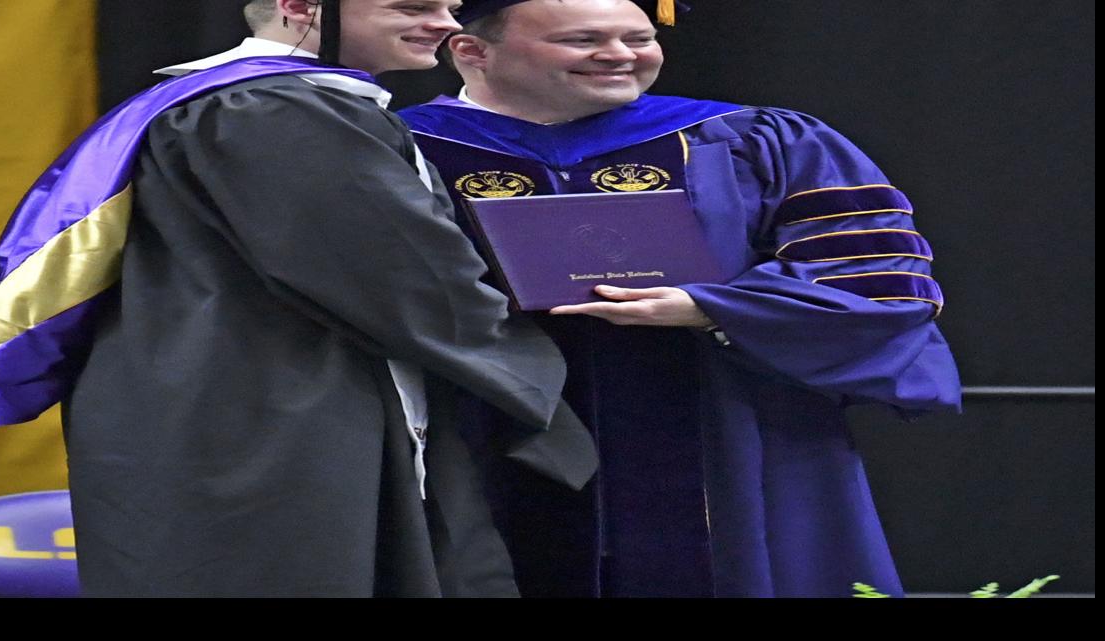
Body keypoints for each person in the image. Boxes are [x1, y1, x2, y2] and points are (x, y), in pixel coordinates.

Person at [0, 0, 596, 597]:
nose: (444, 23)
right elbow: (401, 276)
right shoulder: (273, 108)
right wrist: (537, 375)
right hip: (270, 412)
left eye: (448, 6)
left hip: (216, 391)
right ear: (301, 7)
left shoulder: (228, 100)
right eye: (410, 7)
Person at [399, 0, 961, 597]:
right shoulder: (399, 146)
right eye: (583, 39)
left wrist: (711, 308)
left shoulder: (754, 138)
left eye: (638, 38)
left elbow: (874, 276)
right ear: (472, 52)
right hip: (472, 421)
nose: (619, 55)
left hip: (721, 423)